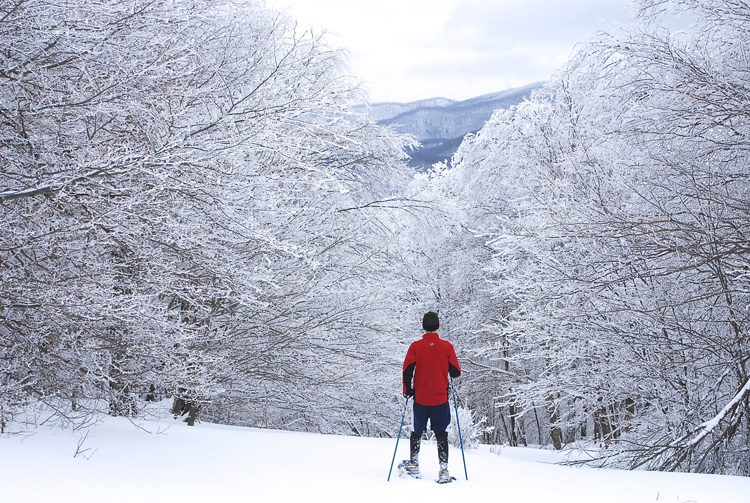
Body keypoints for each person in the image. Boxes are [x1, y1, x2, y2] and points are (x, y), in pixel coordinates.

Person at [401, 311, 461, 483]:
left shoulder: (415, 347)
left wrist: (408, 389)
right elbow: (456, 372)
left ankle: (414, 464)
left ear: (423, 326)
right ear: (438, 326)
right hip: (440, 400)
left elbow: (407, 370)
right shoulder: (447, 346)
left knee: (416, 431)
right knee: (442, 434)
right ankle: (443, 470)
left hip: (421, 399)